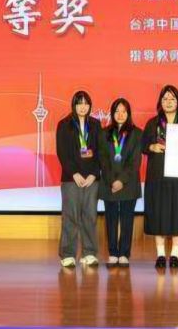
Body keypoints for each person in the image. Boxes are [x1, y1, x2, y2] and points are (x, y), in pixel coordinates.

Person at [142, 84, 178, 269]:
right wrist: (151, 147)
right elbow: (142, 146)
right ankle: (160, 254)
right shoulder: (152, 123)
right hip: (157, 175)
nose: (168, 102)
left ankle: (175, 254)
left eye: (172, 99)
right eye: (165, 99)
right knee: (158, 213)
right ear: (160, 102)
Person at [57, 90, 101, 268]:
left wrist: (93, 174)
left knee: (90, 216)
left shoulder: (96, 125)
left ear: (90, 105)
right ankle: (67, 254)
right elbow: (62, 152)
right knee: (71, 217)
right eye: (79, 103)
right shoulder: (64, 124)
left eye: (86, 103)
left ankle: (89, 253)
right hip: (71, 179)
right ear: (74, 105)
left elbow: (100, 152)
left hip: (92, 179)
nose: (83, 107)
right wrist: (74, 173)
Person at [99, 97, 142, 267]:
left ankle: (124, 253)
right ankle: (113, 252)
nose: (120, 114)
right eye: (117, 111)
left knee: (127, 219)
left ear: (128, 113)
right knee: (110, 219)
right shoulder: (104, 133)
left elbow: (135, 162)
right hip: (108, 183)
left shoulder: (137, 133)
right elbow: (103, 159)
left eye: (124, 111)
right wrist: (112, 181)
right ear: (112, 113)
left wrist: (121, 181)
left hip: (129, 183)